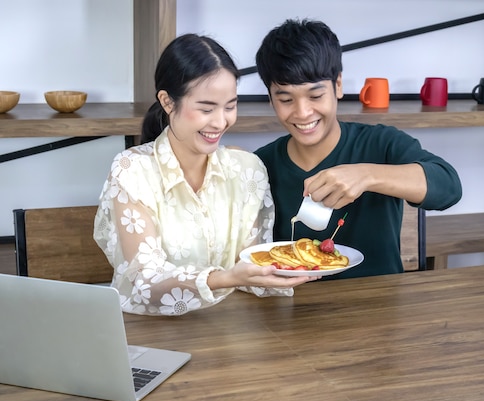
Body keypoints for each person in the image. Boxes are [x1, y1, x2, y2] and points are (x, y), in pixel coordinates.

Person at [94, 34, 316, 316]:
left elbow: (251, 264)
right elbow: (144, 280)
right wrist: (228, 278)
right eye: (206, 108)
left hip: (233, 328)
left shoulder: (247, 170)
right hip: (149, 333)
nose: (221, 121)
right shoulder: (132, 170)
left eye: (230, 106)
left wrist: (290, 267)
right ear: (167, 101)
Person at [254, 19, 462, 279]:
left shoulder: (382, 144)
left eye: (316, 96)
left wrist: (367, 176)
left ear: (338, 86)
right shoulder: (261, 165)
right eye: (286, 99)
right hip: (292, 311)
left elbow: (449, 187)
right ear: (271, 99)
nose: (303, 112)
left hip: (379, 308)